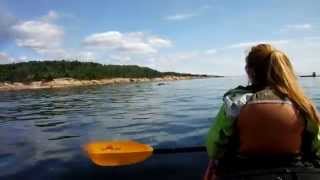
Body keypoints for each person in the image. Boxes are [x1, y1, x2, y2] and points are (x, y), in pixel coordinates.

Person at [204, 44, 320, 180]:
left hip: (242, 172)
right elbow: (317, 148)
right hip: (297, 173)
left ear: (250, 72)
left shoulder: (235, 103)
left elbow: (214, 148)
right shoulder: (303, 104)